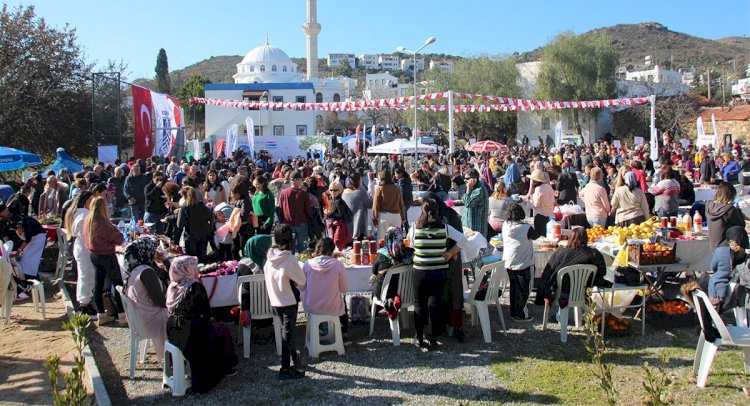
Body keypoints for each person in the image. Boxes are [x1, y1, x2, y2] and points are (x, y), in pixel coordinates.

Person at [166, 255, 238, 392]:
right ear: (189, 269)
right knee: (222, 329)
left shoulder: (172, 286)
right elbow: (206, 313)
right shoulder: (194, 287)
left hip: (172, 329)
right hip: (191, 332)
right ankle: (227, 366)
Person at [408, 198, 466, 350]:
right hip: (439, 270)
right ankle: (433, 337)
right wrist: (450, 252)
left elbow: (411, 243)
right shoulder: (445, 228)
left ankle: (419, 337)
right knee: (435, 305)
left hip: (420, 271)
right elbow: (463, 239)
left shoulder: (415, 227)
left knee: (419, 305)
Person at [264, 224, 306, 379]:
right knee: (287, 334)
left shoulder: (269, 257)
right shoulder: (289, 259)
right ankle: (285, 368)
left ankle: (295, 361)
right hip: (288, 300)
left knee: (286, 332)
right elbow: (302, 281)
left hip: (275, 299)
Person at [535, 227, 610, 307]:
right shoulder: (594, 254)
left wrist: (539, 297)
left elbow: (547, 274)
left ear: (570, 238)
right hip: (586, 292)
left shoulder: (560, 254)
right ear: (586, 238)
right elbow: (603, 271)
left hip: (563, 293)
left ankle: (561, 316)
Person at [123, 236, 168, 358]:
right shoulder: (147, 273)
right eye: (153, 249)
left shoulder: (134, 268)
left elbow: (167, 275)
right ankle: (177, 358)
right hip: (152, 319)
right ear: (146, 251)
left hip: (140, 316)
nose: (156, 252)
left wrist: (164, 259)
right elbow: (161, 302)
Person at [84, 196, 126, 325]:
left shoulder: (89, 222)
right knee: (118, 284)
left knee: (98, 284)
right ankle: (122, 314)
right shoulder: (105, 224)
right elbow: (120, 239)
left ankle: (101, 314)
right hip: (107, 255)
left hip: (94, 255)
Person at [300, 237, 350, 341]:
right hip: (333, 307)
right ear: (332, 251)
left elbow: (302, 287)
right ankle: (344, 333)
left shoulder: (307, 264)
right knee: (341, 301)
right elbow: (344, 289)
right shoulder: (338, 265)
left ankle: (319, 330)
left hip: (312, 307)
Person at [369, 226, 414, 320]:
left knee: (376, 287)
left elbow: (374, 271)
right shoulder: (409, 253)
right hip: (406, 292)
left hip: (385, 293)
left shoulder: (381, 254)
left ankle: (383, 304)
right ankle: (393, 300)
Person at [501, 203, 536, 322]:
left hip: (509, 260)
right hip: (524, 262)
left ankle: (513, 312)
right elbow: (535, 236)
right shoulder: (526, 227)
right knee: (524, 289)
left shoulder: (505, 225)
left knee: (514, 288)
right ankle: (521, 314)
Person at [64, 191, 97, 317]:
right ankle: (84, 304)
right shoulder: (84, 214)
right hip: (84, 248)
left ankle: (83, 301)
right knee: (86, 276)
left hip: (81, 247)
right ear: (87, 200)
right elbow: (85, 234)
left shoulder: (78, 212)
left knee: (84, 275)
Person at [707, 226, 750, 313]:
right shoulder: (746, 254)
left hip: (719, 290)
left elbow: (712, 267)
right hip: (739, 293)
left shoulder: (721, 251)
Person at [176, 186, 214, 263]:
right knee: (202, 260)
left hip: (190, 238)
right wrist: (208, 228)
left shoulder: (184, 208)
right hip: (203, 236)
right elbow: (211, 217)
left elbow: (179, 225)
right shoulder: (202, 205)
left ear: (184, 196)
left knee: (191, 261)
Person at [278, 171, 313, 253]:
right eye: (300, 179)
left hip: (288, 224)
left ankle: (291, 264)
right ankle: (302, 264)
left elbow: (280, 209)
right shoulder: (303, 194)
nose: (301, 182)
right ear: (297, 180)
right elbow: (309, 211)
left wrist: (282, 222)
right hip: (301, 223)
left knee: (289, 248)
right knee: (302, 249)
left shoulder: (283, 193)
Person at [707, 182, 745, 251]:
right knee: (743, 248)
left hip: (713, 244)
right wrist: (738, 210)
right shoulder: (730, 210)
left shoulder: (709, 206)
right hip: (727, 245)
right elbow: (741, 226)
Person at [372, 168, 405, 240]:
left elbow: (375, 205)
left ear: (381, 177)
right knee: (396, 241)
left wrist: (374, 219)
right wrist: (403, 216)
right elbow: (401, 203)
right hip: (396, 216)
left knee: (382, 241)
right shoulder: (396, 187)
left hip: (384, 216)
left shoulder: (380, 188)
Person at [341, 172, 372, 241]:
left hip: (347, 226)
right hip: (359, 226)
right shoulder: (361, 192)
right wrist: (369, 195)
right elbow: (370, 204)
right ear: (358, 181)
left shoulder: (344, 192)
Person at [325, 181, 353, 251]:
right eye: (331, 190)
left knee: (339, 246)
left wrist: (330, 214)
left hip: (340, 228)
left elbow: (342, 216)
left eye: (335, 190)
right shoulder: (332, 200)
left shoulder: (339, 201)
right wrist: (327, 214)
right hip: (335, 227)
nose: (333, 192)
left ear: (340, 190)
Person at [461, 169, 489, 236]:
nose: (465, 180)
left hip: (476, 230)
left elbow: (468, 203)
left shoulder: (479, 190)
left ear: (474, 179)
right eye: (464, 178)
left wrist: (468, 189)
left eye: (467, 178)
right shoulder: (472, 188)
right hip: (468, 228)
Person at [529, 168, 554, 234]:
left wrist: (530, 200)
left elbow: (536, 204)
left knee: (540, 237)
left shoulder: (538, 189)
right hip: (550, 216)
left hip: (540, 217)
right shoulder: (549, 187)